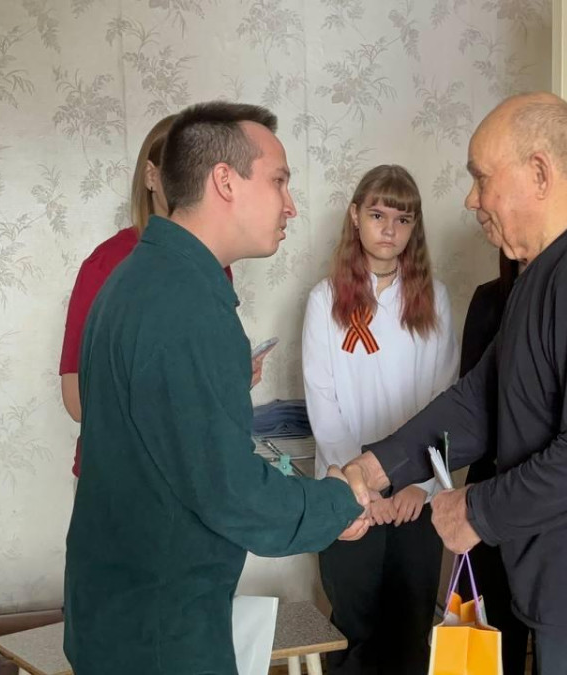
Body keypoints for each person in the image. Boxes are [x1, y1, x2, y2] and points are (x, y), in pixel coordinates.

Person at [342, 92, 567, 674]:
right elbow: (480, 402)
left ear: (539, 172)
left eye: (481, 178)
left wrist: (476, 510)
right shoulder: (550, 270)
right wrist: (373, 468)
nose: (472, 199)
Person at [64, 102, 369, 674]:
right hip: (160, 635)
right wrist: (335, 502)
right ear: (225, 181)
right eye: (279, 181)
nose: (291, 204)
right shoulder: (185, 304)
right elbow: (229, 490)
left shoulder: (140, 277)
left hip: (122, 617)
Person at [303, 164, 458, 674]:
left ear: (414, 228)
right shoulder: (325, 299)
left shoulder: (434, 298)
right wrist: (361, 487)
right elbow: (323, 401)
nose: (389, 229)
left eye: (403, 219)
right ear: (355, 216)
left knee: (410, 628)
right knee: (354, 629)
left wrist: (419, 485)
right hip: (348, 492)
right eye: (377, 215)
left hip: (416, 491)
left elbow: (444, 399)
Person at [58, 116, 266, 477]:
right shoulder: (107, 264)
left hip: (193, 473)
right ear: (151, 176)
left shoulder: (215, 265)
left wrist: (231, 377)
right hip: (121, 478)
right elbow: (76, 398)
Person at [457, 248, 529, 675]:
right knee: (492, 639)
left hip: (552, 486)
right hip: (491, 482)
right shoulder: (490, 299)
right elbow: (468, 397)